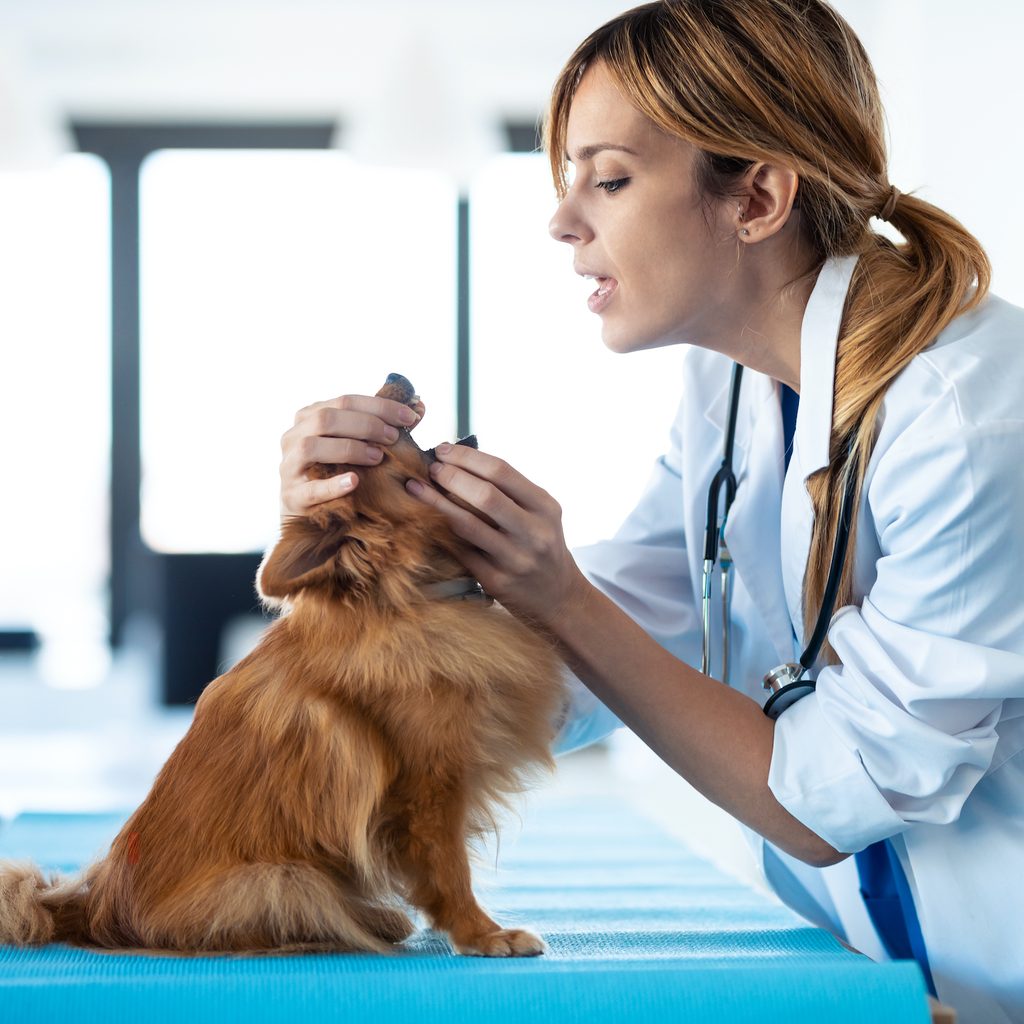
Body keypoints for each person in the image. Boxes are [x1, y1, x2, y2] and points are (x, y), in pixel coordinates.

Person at [277, 2, 1024, 1019]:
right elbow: (573, 674)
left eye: (609, 179)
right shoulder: (728, 388)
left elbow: (835, 796)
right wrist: (366, 548)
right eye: (565, 180)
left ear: (756, 195)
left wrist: (562, 596)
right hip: (880, 966)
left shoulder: (965, 412)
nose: (561, 220)